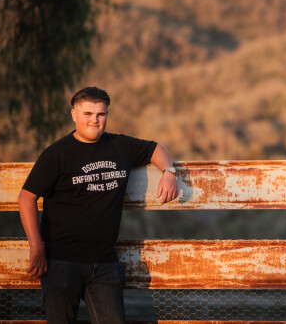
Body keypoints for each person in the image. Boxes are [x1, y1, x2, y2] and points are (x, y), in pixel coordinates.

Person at [18, 86, 178, 323]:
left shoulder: (120, 146)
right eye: (88, 114)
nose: (95, 120)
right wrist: (36, 247)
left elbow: (156, 149)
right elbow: (26, 197)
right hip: (61, 263)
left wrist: (169, 172)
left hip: (104, 264)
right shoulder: (57, 154)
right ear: (74, 115)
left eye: (101, 114)